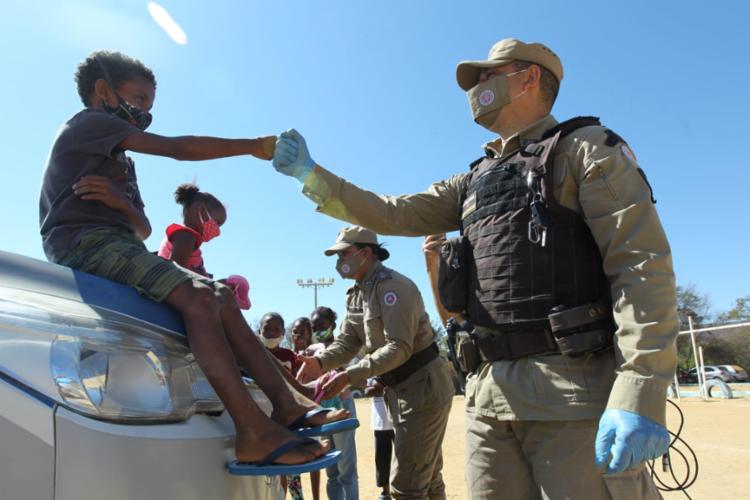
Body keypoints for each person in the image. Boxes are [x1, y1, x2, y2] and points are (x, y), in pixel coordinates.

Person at [273, 39, 678, 498]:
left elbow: (641, 268)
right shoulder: (472, 181)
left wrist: (640, 391)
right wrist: (311, 175)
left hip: (572, 396)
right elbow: (392, 212)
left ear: (529, 78)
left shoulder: (585, 150)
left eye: (489, 74)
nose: (477, 86)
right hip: (488, 398)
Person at [38, 50, 350, 474]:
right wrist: (252, 147)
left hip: (120, 243)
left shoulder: (120, 161)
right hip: (84, 242)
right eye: (138, 98)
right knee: (198, 298)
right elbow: (175, 148)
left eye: (150, 104)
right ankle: (253, 431)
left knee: (220, 294)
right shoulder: (88, 124)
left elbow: (143, 229)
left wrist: (118, 202)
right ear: (102, 90)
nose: (144, 111)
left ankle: (289, 404)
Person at [297, 227, 454, 500]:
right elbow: (347, 342)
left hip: (421, 388)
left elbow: (399, 348)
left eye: (343, 253)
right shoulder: (357, 293)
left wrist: (349, 375)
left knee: (407, 486)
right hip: (402, 390)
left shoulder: (394, 287)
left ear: (365, 253)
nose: (338, 261)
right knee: (426, 477)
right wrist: (319, 362)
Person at [157, 182, 251, 309]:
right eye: (217, 222)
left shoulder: (188, 237)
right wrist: (213, 286)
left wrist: (216, 283)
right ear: (198, 209)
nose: (217, 231)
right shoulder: (186, 237)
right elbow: (175, 275)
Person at [365, 377, 395, 500]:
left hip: (399, 416)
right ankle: (385, 492)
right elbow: (367, 392)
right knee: (382, 457)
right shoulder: (372, 369)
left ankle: (404, 490)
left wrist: (378, 387)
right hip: (380, 420)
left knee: (403, 456)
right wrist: (385, 385)